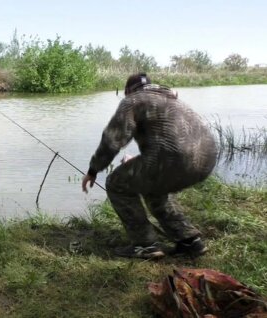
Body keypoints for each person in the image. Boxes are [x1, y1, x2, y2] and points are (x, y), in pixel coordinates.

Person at [82, 73, 217, 259]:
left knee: (116, 183)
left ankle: (144, 244)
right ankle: (189, 241)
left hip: (172, 159)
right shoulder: (174, 100)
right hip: (206, 161)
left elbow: (112, 140)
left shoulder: (132, 100)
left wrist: (93, 170)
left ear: (128, 90)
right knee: (154, 189)